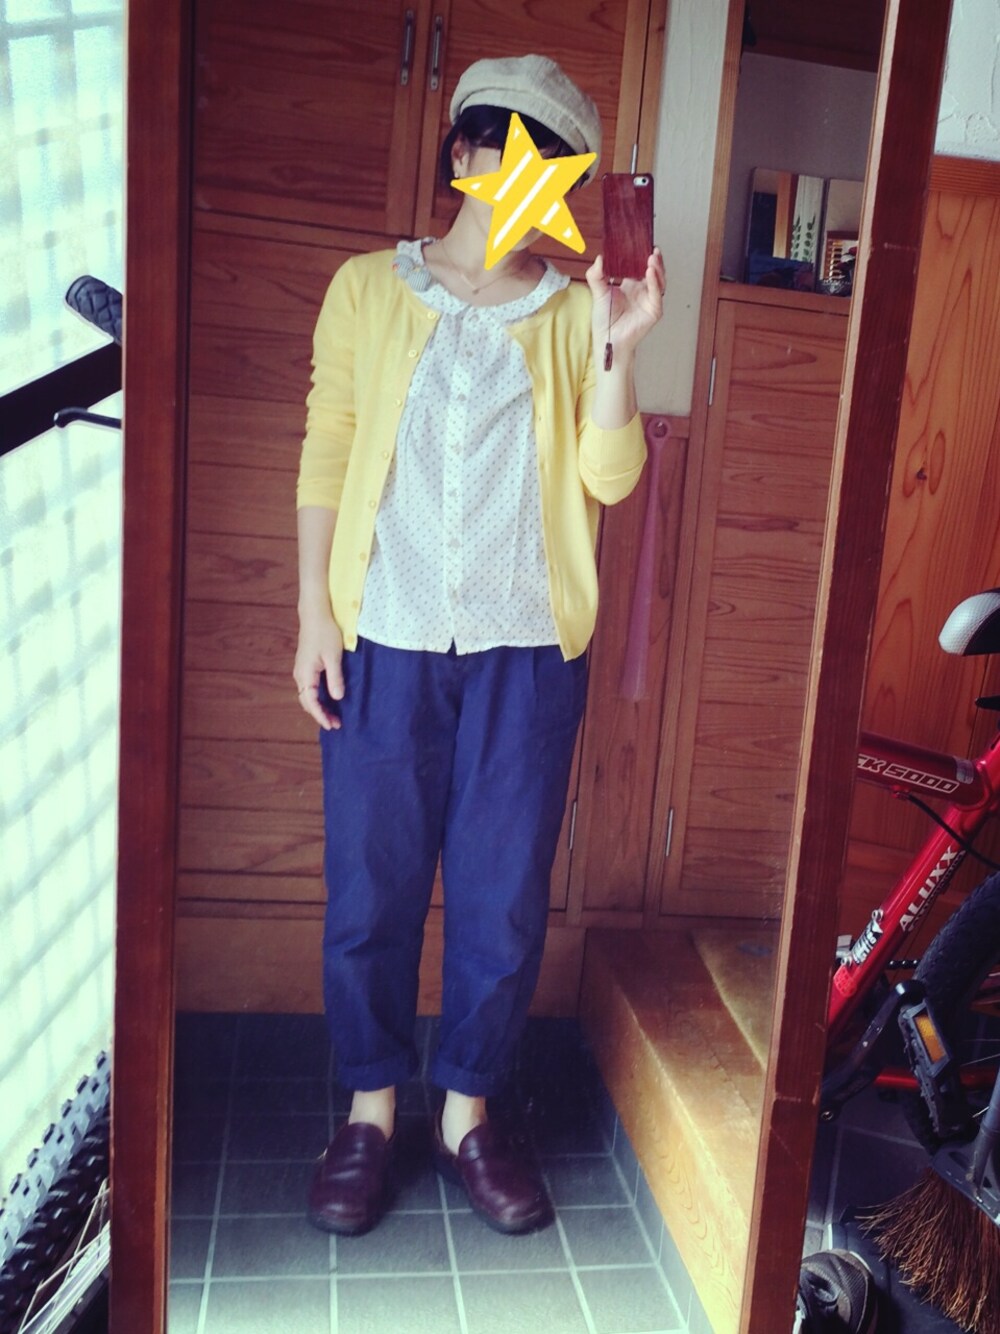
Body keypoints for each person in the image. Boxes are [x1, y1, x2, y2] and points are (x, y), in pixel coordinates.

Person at [293, 53, 665, 1237]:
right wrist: (312, 613)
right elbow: (328, 442)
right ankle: (368, 1111)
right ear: (461, 155)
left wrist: (620, 345)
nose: (534, 190)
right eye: (515, 157)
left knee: (502, 899)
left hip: (527, 650)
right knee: (371, 888)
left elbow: (610, 475)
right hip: (385, 637)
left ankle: (466, 1113)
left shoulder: (570, 312)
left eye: (559, 172)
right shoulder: (367, 288)